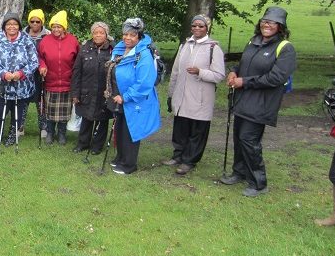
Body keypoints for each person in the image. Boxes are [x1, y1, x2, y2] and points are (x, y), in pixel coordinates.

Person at [222, 6, 297, 196]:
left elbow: (276, 78)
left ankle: (258, 182)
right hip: (242, 99)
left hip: (261, 102)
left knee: (249, 139)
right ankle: (239, 172)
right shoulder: (253, 41)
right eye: (265, 21)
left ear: (280, 26)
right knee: (239, 137)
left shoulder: (285, 48)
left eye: (272, 22)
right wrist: (234, 71)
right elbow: (244, 63)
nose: (267, 25)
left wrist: (244, 81)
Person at [164, 15, 226, 175]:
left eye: (201, 26)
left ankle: (189, 161)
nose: (197, 29)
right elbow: (176, 71)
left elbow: (219, 75)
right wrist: (171, 94)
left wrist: (201, 72)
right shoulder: (184, 45)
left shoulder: (213, 48)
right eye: (194, 26)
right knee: (180, 129)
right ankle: (178, 156)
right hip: (181, 96)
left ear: (207, 28)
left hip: (200, 98)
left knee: (197, 131)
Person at [106, 17, 161, 175]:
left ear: (139, 36)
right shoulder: (120, 48)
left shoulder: (143, 55)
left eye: (132, 35)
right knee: (121, 128)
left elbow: (144, 83)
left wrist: (126, 97)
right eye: (125, 34)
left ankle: (129, 164)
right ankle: (120, 158)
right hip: (120, 97)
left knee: (131, 131)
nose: (128, 38)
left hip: (133, 100)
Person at [0, 12, 39, 146]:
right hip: (2, 84)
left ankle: (12, 135)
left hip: (21, 85)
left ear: (19, 26)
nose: (12, 27)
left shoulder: (26, 40)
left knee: (18, 113)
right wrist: (3, 73)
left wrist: (21, 73)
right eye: (9, 24)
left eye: (15, 24)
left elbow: (34, 62)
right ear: (4, 26)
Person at [70, 22, 114, 154]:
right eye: (96, 32)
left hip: (104, 92)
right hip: (86, 90)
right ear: (92, 34)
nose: (98, 35)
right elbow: (77, 72)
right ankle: (82, 143)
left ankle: (97, 146)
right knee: (86, 118)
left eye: (101, 32)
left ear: (106, 34)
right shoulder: (84, 48)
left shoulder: (113, 50)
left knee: (102, 120)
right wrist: (75, 93)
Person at [38, 10, 79, 145]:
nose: (56, 29)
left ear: (64, 27)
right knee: (49, 110)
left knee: (64, 112)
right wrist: (42, 65)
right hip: (50, 81)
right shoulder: (45, 41)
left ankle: (61, 133)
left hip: (67, 82)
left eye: (59, 26)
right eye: (54, 26)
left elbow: (78, 59)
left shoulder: (73, 40)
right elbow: (40, 57)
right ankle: (50, 132)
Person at [23, 9, 50, 137]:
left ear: (42, 22)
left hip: (41, 73)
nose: (34, 24)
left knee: (41, 100)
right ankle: (20, 127)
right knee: (24, 100)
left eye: (37, 21)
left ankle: (43, 127)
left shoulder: (48, 35)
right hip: (25, 73)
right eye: (32, 21)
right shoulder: (21, 34)